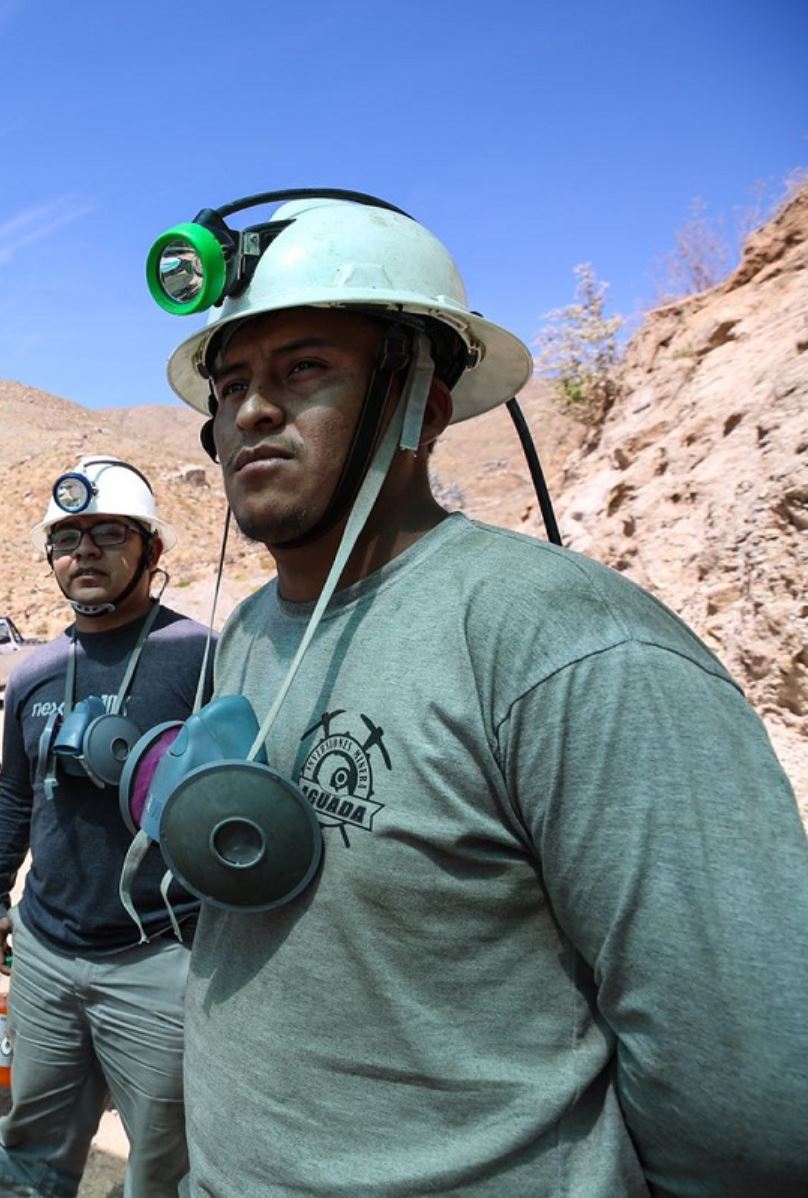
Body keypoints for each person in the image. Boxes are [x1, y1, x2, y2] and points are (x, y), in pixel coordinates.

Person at [151, 193, 808, 1193]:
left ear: (423, 401)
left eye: (305, 367)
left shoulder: (566, 644)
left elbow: (751, 1100)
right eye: (230, 381)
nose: (250, 410)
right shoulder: (243, 629)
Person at [0, 455, 209, 1197]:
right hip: (44, 950)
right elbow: (15, 794)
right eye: (67, 539)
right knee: (31, 1134)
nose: (85, 553)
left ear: (152, 552)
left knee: (165, 1157)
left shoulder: (202, 659)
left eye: (109, 533)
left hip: (158, 958)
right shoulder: (36, 672)